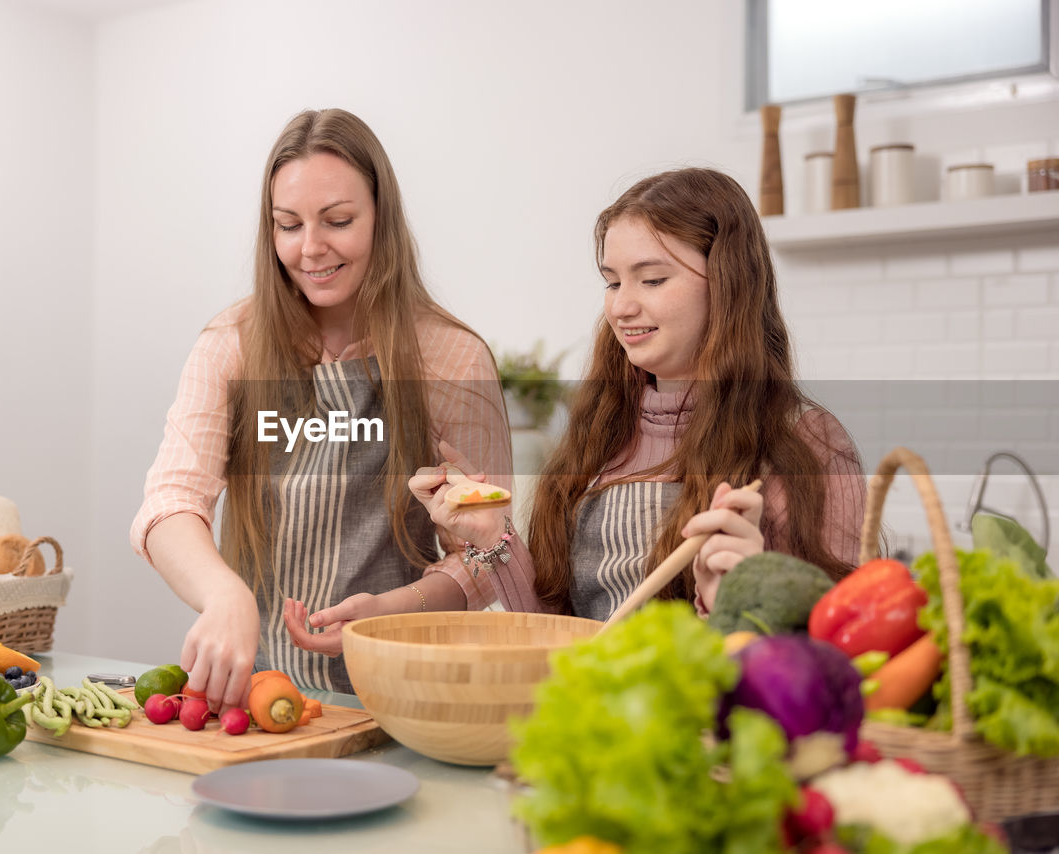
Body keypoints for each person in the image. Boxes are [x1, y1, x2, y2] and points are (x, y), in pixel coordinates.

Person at [298, 167, 866, 633]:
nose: (620, 306)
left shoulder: (807, 443)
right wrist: (492, 536)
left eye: (652, 279)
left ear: (730, 282)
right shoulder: (603, 430)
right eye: (613, 281)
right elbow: (558, 639)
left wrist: (735, 610)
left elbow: (838, 655)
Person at [130, 108, 516, 708]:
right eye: (288, 225)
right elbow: (169, 503)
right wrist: (224, 596)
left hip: (398, 693)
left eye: (338, 221)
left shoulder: (452, 357)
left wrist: (388, 611)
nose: (310, 249)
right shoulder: (231, 342)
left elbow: (490, 552)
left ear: (381, 219)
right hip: (258, 695)